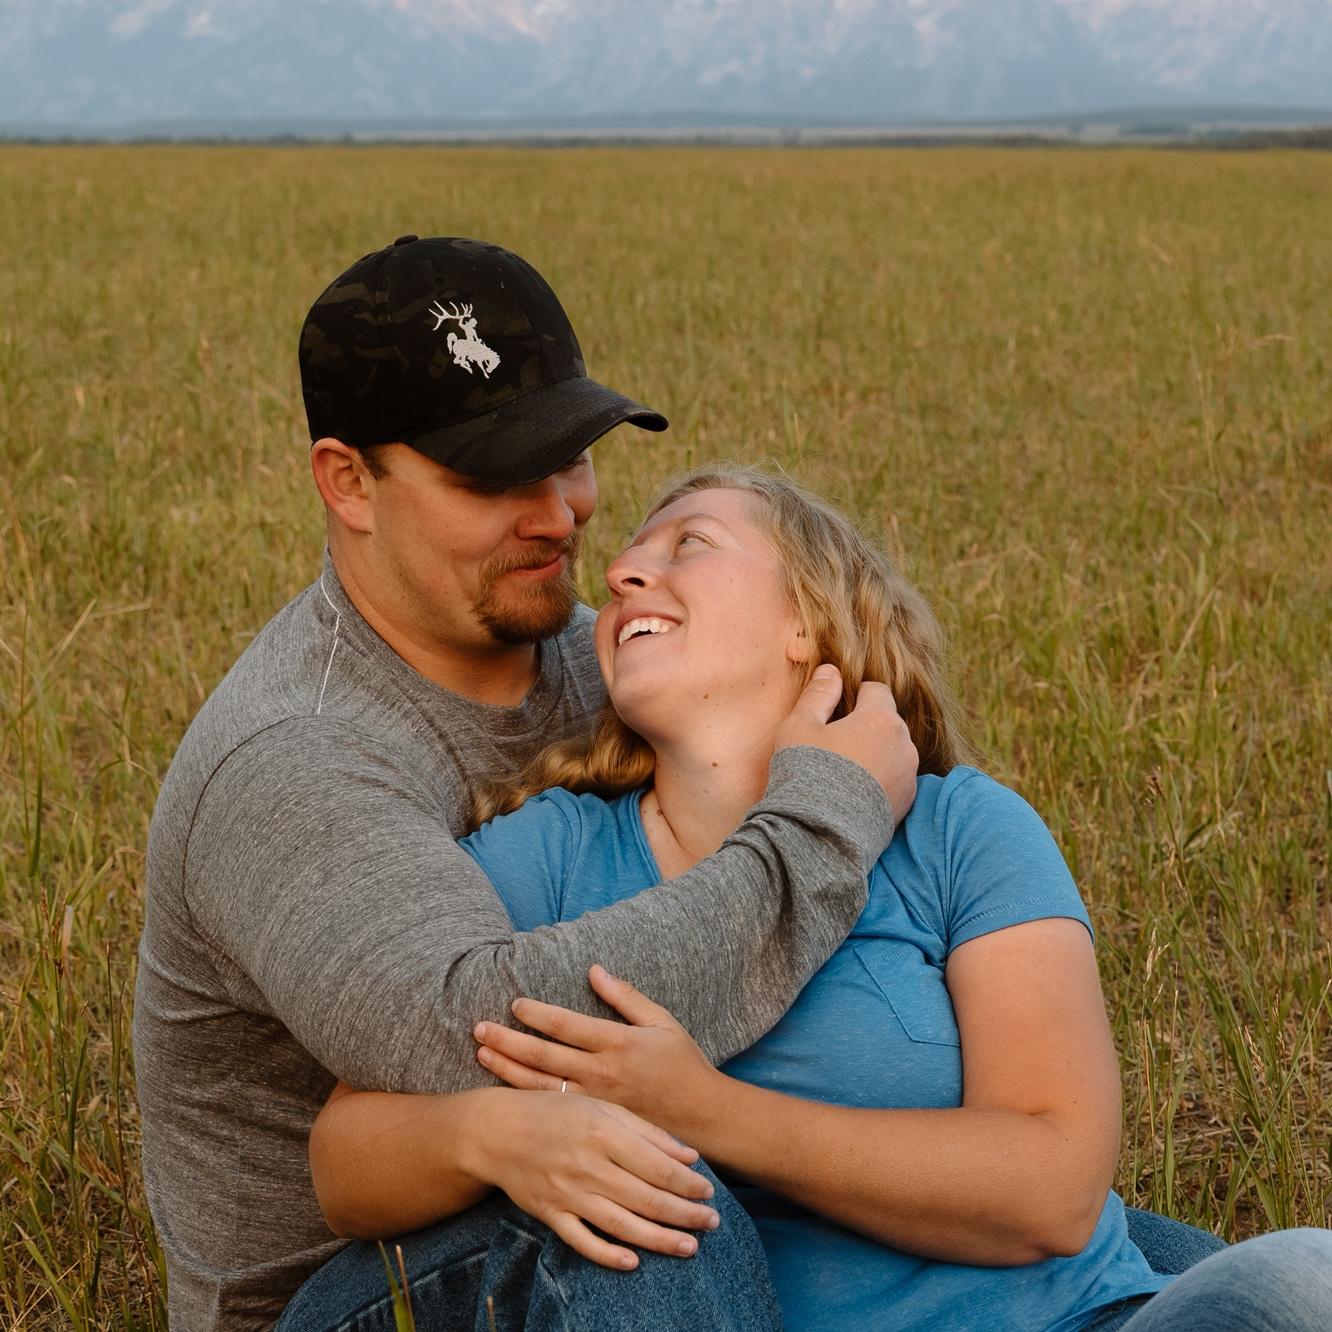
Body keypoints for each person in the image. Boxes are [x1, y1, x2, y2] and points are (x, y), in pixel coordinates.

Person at [311, 464, 1332, 1331]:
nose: (620, 575)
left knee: (1301, 1278)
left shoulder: (958, 830)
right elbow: (348, 1156)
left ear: (807, 620)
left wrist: (705, 1110)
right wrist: (493, 1135)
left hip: (1084, 1318)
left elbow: (1055, 1187)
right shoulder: (552, 856)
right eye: (627, 560)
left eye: (689, 543)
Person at [132, 237, 920, 1331]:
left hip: (671, 1204)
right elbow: (479, 1035)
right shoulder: (294, 756)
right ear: (349, 482)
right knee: (644, 1208)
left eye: (570, 457)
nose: (557, 514)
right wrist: (822, 827)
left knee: (1127, 1256)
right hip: (369, 1284)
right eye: (493, 476)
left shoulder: (610, 663)